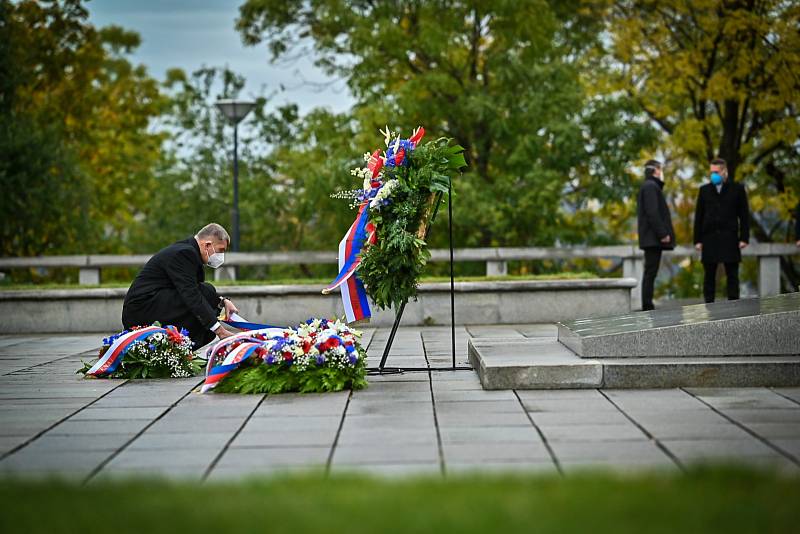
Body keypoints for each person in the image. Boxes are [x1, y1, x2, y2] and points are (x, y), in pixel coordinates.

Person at [122, 223, 238, 349]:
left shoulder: (188, 250)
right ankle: (178, 348)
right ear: (207, 245)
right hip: (142, 310)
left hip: (151, 304)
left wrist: (223, 301)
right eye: (221, 250)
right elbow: (191, 295)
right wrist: (220, 331)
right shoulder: (185, 253)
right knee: (206, 295)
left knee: (208, 293)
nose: (221, 256)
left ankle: (178, 350)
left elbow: (192, 289)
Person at [693, 158, 750, 303]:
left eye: (716, 172)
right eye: (711, 172)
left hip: (729, 238)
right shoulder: (704, 190)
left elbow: (744, 215)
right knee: (709, 277)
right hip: (709, 239)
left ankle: (734, 306)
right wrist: (697, 240)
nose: (713, 175)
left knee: (732, 275)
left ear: (724, 172)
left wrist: (744, 238)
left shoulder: (737, 189)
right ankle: (709, 307)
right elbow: (698, 216)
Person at [636, 159, 675, 311]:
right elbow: (653, 212)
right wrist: (663, 233)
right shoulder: (651, 187)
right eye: (660, 169)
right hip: (652, 238)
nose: (661, 172)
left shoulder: (648, 186)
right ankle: (647, 306)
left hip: (650, 238)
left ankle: (648, 304)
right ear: (656, 171)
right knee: (650, 272)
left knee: (650, 272)